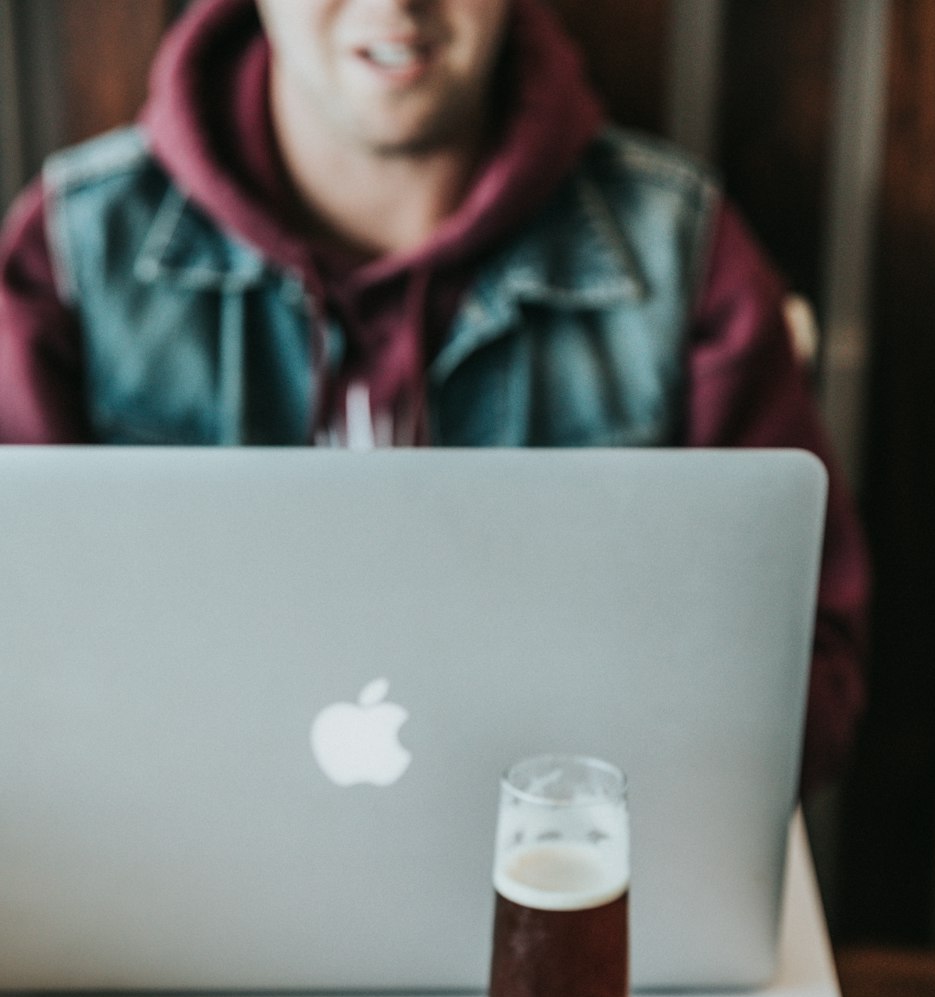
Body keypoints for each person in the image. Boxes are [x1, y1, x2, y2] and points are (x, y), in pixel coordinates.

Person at [0, 0, 867, 795]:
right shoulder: (72, 255)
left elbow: (808, 674)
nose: (394, 3)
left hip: (553, 888)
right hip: (168, 879)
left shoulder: (680, 251)